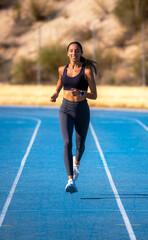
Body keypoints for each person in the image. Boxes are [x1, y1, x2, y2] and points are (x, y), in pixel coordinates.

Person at [50, 41, 97, 194]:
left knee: (80, 145)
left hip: (82, 110)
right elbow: (60, 82)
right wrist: (56, 93)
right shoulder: (62, 69)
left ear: (81, 53)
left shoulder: (87, 71)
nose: (73, 53)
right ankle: (70, 180)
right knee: (67, 142)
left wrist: (81, 93)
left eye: (76, 51)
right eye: (71, 51)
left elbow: (94, 95)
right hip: (65, 109)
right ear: (67, 53)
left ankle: (76, 162)